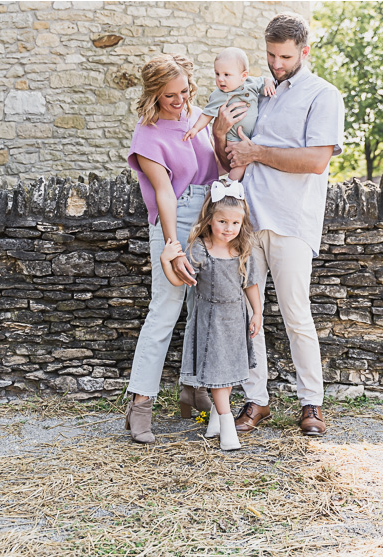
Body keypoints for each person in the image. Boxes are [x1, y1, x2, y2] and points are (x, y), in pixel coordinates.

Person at [211, 13, 344, 437]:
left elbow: (316, 161)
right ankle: (258, 399)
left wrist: (257, 153)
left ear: (304, 52)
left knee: (295, 315)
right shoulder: (260, 93)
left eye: (284, 56)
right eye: (270, 54)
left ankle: (312, 404)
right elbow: (232, 159)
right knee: (248, 314)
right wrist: (219, 137)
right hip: (249, 220)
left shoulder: (323, 95)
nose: (276, 62)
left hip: (292, 221)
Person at [123, 53, 221, 444]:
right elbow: (163, 191)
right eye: (169, 96)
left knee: (204, 309)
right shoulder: (147, 135)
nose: (179, 101)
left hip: (211, 215)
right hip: (176, 217)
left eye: (183, 91)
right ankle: (140, 406)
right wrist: (172, 245)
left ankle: (193, 392)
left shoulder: (197, 115)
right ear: (153, 95)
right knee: (165, 309)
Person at [160, 179, 263, 452]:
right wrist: (165, 261)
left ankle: (216, 420)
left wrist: (257, 312)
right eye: (222, 222)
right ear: (210, 219)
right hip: (210, 321)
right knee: (218, 371)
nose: (228, 229)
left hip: (234, 319)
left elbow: (250, 284)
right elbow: (179, 281)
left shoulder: (242, 251)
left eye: (234, 223)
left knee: (228, 372)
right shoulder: (200, 248)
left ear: (242, 224)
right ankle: (227, 425)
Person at [182, 47, 276, 181]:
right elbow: (206, 114)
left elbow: (265, 80)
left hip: (254, 136)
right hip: (234, 139)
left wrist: (268, 84)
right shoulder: (219, 95)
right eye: (217, 74)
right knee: (239, 165)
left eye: (226, 75)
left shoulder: (251, 83)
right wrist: (195, 129)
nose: (220, 79)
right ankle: (229, 185)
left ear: (243, 76)